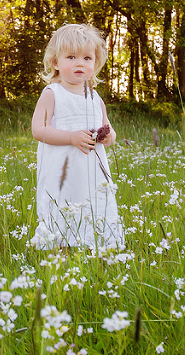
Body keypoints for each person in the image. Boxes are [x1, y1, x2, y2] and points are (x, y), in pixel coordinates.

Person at [30, 24, 123, 250]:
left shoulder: (96, 98)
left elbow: (110, 132)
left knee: (94, 206)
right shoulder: (53, 94)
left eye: (87, 58)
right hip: (62, 171)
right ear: (56, 62)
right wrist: (71, 137)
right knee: (64, 207)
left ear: (95, 63)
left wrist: (106, 137)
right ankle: (61, 251)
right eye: (71, 57)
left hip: (92, 173)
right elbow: (38, 129)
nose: (80, 63)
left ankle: (95, 249)